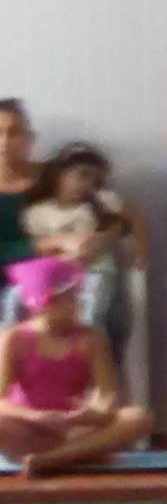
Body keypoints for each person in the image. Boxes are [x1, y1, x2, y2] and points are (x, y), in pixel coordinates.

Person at [0, 258, 151, 477]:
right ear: (45, 303)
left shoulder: (91, 339)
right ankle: (80, 454)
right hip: (26, 429)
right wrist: (37, 417)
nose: (77, 303)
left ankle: (50, 460)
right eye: (69, 298)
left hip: (71, 430)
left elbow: (107, 397)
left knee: (138, 418)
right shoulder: (14, 339)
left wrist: (89, 414)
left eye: (76, 296)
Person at [11, 143, 147, 360]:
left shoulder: (99, 203)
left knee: (92, 312)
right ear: (59, 174)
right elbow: (37, 250)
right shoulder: (37, 213)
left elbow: (134, 220)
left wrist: (140, 253)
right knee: (18, 299)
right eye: (82, 176)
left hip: (95, 272)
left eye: (95, 181)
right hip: (56, 277)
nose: (87, 185)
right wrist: (66, 257)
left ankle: (90, 361)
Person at [0, 101, 40, 302]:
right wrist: (41, 246)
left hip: (50, 280)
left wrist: (106, 236)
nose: (5, 142)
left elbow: (112, 210)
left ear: (30, 138)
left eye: (14, 133)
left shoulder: (52, 177)